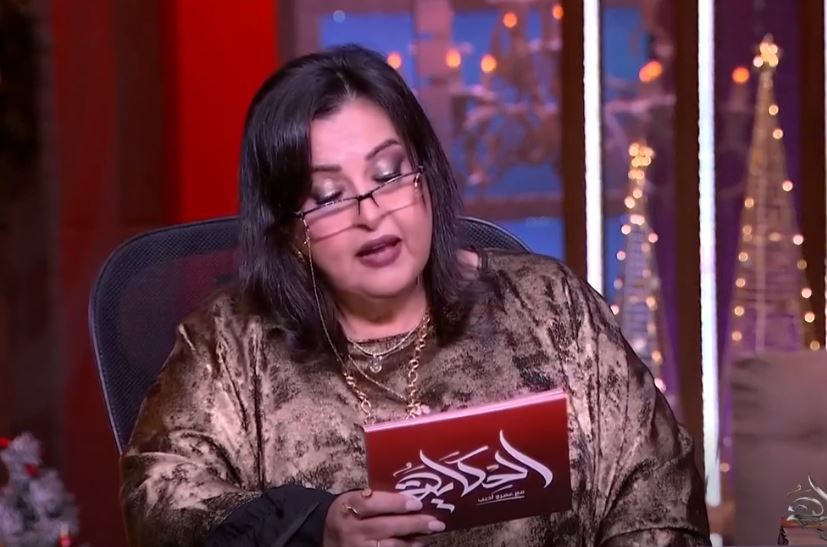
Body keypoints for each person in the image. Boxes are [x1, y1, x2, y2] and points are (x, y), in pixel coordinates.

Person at [120, 45, 710, 546]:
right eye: (329, 197)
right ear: (289, 229)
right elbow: (158, 499)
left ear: (425, 176)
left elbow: (657, 492)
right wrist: (313, 527)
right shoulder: (230, 346)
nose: (371, 214)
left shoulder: (550, 308)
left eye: (388, 175)